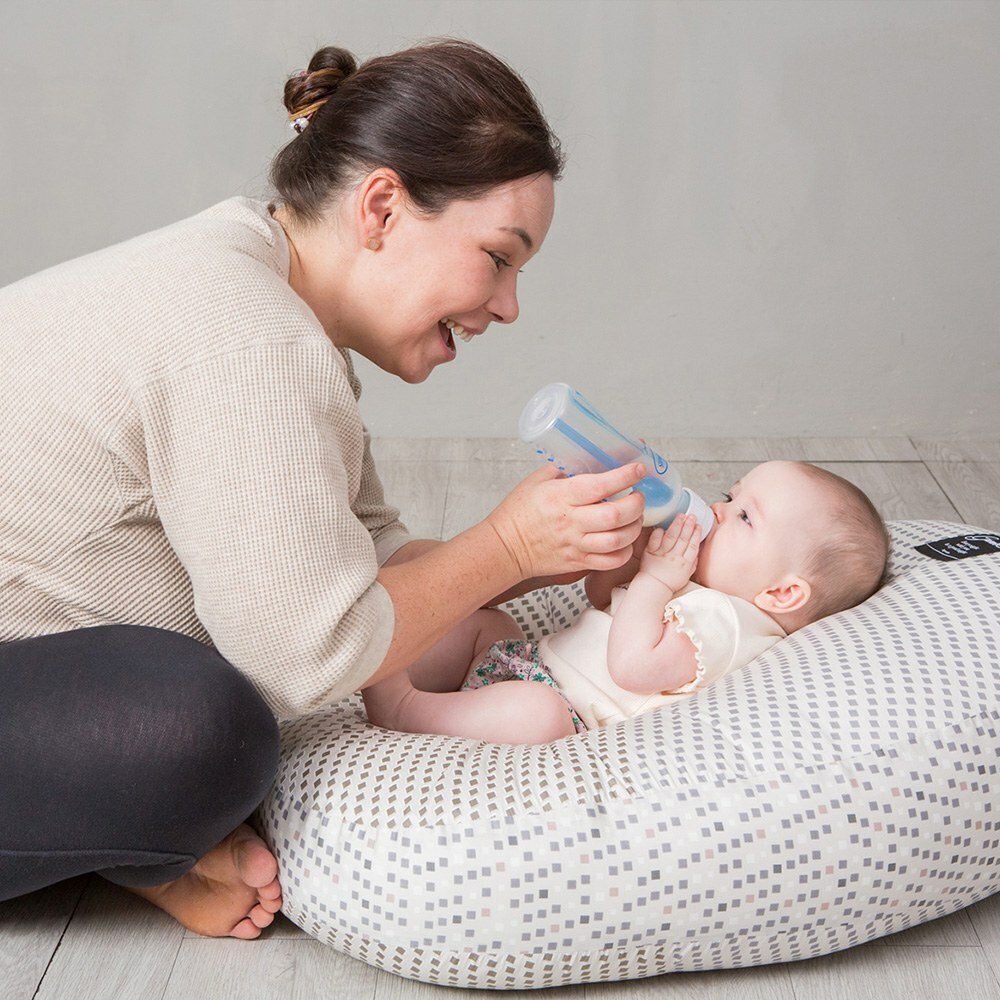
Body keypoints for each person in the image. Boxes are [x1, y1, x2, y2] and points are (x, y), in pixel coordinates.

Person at [0, 41, 649, 938]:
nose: (508, 307)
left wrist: (561, 546)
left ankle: (121, 839)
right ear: (381, 207)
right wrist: (506, 545)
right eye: (499, 258)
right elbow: (312, 654)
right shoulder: (253, 339)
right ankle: (134, 844)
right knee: (204, 731)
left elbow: (370, 560)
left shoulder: (265, 289)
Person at [362, 461, 890, 744]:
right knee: (487, 620)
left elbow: (632, 666)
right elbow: (601, 600)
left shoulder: (730, 623)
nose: (717, 510)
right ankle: (389, 649)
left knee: (537, 715)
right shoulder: (699, 584)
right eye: (731, 497)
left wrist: (657, 580)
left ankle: (405, 708)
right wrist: (632, 553)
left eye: (745, 517)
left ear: (782, 592)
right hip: (527, 666)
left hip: (565, 712)